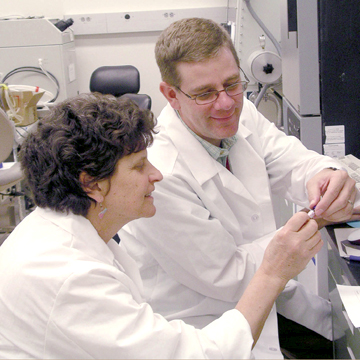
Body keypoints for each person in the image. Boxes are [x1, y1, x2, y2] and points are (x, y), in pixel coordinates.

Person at [0, 93, 323, 359]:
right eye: (139, 166)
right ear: (93, 185)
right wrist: (272, 272)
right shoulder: (69, 276)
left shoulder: (62, 231)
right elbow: (199, 356)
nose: (157, 174)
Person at [119, 17, 360, 359]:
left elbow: (292, 160)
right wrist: (317, 218)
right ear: (171, 94)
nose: (226, 103)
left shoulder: (241, 111)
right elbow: (226, 274)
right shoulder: (161, 173)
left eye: (232, 84)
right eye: (204, 93)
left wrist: (328, 174)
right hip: (206, 328)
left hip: (270, 303)